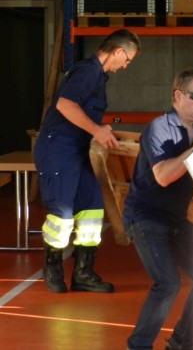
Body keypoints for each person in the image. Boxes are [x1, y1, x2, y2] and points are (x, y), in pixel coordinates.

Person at [34, 29, 141, 293]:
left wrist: (98, 131)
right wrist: (96, 130)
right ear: (118, 51)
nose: (125, 66)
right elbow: (65, 105)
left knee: (92, 209)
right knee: (62, 214)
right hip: (59, 149)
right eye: (127, 60)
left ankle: (83, 273)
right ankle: (53, 267)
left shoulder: (98, 75)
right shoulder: (87, 72)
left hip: (79, 150)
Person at [123, 69, 193, 350]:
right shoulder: (159, 128)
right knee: (167, 283)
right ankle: (138, 346)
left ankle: (180, 342)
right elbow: (163, 176)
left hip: (175, 219)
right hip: (146, 217)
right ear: (177, 95)